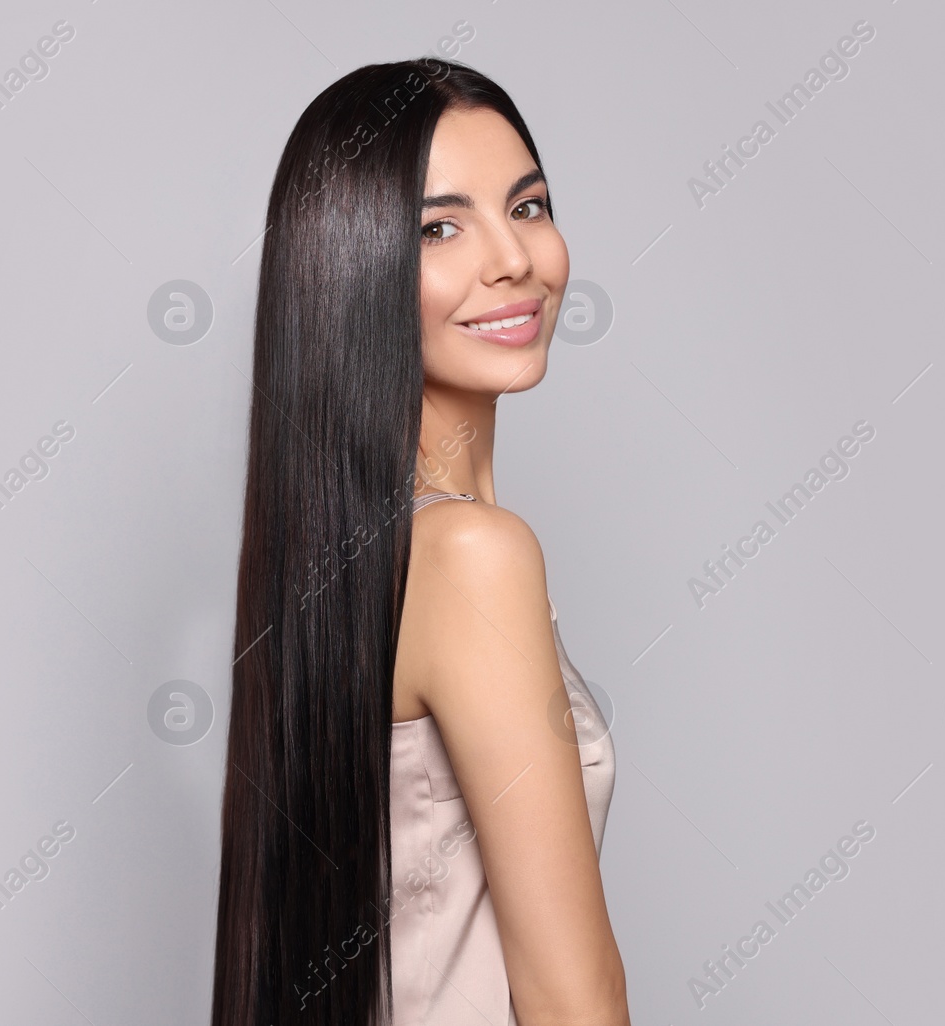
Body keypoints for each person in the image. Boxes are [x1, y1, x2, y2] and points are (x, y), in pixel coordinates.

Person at [212, 58, 630, 1026]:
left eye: (526, 207)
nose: (512, 259)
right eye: (440, 227)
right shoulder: (472, 557)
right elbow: (575, 1002)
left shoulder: (337, 557)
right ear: (351, 268)